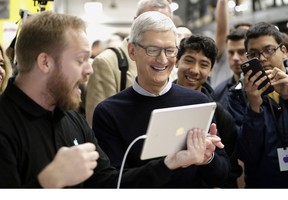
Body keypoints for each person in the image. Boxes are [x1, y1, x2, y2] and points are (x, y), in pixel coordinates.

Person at [0, 11, 226, 188]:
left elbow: (111, 185)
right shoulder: (7, 124)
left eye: (169, 50)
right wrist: (46, 184)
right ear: (45, 62)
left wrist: (173, 162)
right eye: (81, 60)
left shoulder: (71, 121)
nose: (89, 70)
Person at [92, 11, 230, 188]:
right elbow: (112, 183)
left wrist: (208, 158)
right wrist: (168, 164)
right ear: (132, 51)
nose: (163, 59)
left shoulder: (198, 102)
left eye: (170, 50)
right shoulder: (109, 112)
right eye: (153, 50)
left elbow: (222, 174)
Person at [85, 0, 173, 127]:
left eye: (164, 22)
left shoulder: (169, 60)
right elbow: (97, 124)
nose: (157, 28)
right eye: (149, 21)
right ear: (135, 22)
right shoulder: (107, 62)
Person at [175, 34, 242, 188]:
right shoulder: (157, 104)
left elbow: (230, 170)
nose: (195, 70)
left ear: (211, 70)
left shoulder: (220, 115)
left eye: (204, 64)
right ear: (177, 61)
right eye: (189, 60)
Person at [228, 22, 288, 188]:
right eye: (253, 54)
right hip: (262, 185)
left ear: (283, 51)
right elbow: (247, 155)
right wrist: (254, 107)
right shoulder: (238, 96)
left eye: (269, 50)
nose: (261, 58)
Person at [213, 27, 248, 110]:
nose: (235, 58)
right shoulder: (219, 92)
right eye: (231, 52)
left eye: (241, 52)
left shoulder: (267, 88)